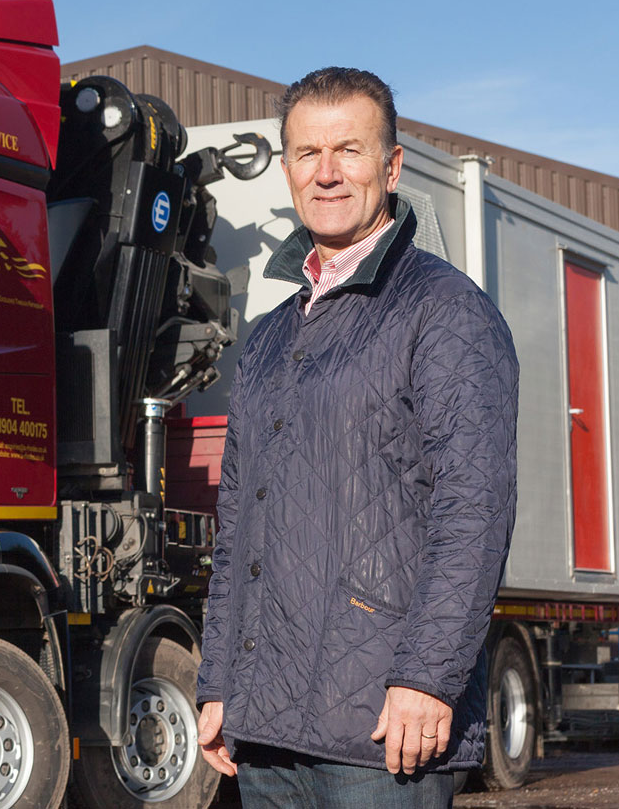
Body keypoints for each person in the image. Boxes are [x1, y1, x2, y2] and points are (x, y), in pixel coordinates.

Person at [194, 67, 519, 807]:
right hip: (268, 726)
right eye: (308, 153)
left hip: (382, 726)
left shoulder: (443, 310)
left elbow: (474, 509)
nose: (328, 172)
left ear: (391, 166)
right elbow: (238, 526)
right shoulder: (269, 337)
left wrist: (427, 678)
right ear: (287, 170)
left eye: (349, 150)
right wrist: (220, 683)